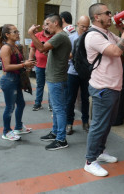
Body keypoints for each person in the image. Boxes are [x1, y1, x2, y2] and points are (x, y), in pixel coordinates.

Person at [83, 3, 124, 177]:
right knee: (98, 125)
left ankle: (100, 152)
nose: (111, 15)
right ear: (97, 17)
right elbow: (115, 52)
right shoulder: (93, 35)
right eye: (107, 13)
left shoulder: (107, 33)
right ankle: (90, 161)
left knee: (106, 124)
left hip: (113, 87)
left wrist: (122, 30)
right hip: (103, 88)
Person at [28, 14, 71, 151]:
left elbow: (41, 48)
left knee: (59, 109)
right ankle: (55, 133)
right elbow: (49, 52)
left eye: (47, 24)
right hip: (55, 78)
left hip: (57, 79)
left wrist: (31, 34)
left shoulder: (60, 36)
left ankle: (61, 139)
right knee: (57, 109)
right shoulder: (60, 37)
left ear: (56, 23)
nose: (45, 27)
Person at [0, 24, 35, 141]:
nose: (18, 33)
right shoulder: (6, 48)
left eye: (17, 31)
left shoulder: (15, 46)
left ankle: (18, 127)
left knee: (21, 103)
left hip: (15, 79)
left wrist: (26, 63)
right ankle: (6, 131)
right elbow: (7, 67)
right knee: (10, 107)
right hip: (9, 80)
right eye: (15, 32)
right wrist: (24, 64)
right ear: (7, 35)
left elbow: (17, 62)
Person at [66, 15, 90, 135]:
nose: (85, 29)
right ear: (77, 24)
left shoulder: (90, 38)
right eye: (82, 26)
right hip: (73, 72)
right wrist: (75, 53)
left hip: (85, 73)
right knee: (71, 98)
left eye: (87, 27)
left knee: (85, 98)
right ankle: (69, 122)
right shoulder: (71, 38)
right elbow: (66, 56)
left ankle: (85, 121)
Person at [29, 19, 54, 112]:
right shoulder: (37, 36)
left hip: (51, 66)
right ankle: (37, 103)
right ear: (43, 27)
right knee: (40, 85)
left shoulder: (54, 36)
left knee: (51, 85)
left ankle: (51, 104)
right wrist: (30, 59)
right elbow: (32, 48)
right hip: (39, 65)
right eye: (46, 25)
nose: (47, 26)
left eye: (49, 24)